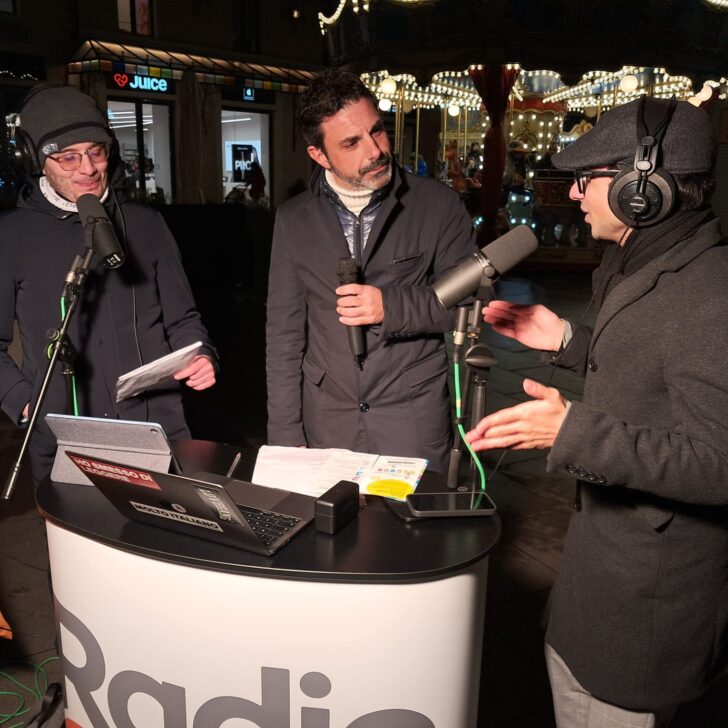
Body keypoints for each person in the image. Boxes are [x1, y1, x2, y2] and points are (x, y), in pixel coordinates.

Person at [466, 96, 728, 726]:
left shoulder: (708, 294)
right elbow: (654, 374)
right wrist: (566, 341)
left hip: (643, 613)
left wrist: (572, 430)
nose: (576, 193)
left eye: (591, 177)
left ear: (645, 186)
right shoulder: (651, 261)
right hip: (599, 581)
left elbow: (720, 462)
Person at [0, 85, 217, 485]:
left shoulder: (148, 225)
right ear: (36, 161)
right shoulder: (10, 236)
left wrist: (201, 354)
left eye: (95, 151)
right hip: (65, 440)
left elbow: (183, 319)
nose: (87, 168)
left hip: (157, 434)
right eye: (68, 157)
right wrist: (22, 400)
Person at [266, 69, 478, 472]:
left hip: (413, 420)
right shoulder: (292, 219)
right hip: (327, 422)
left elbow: (469, 306)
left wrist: (390, 307)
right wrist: (285, 439)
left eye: (377, 131)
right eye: (351, 143)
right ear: (319, 155)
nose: (375, 151)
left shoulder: (438, 206)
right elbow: (283, 335)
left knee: (413, 533)